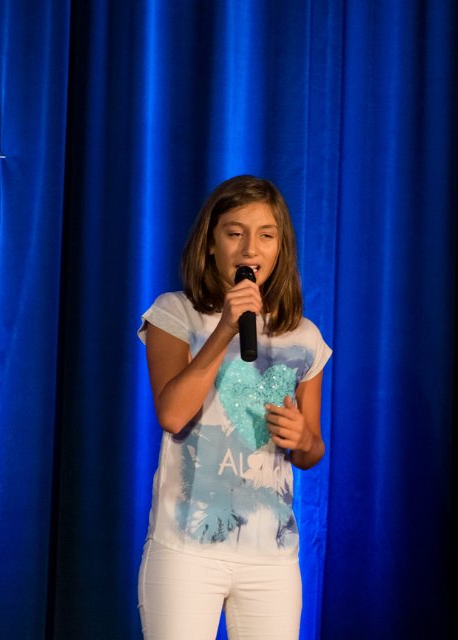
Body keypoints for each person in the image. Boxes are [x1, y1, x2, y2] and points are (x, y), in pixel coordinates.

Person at [136, 175, 331, 639]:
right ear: (210, 243)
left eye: (266, 235)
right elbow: (172, 415)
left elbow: (311, 451)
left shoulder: (304, 336)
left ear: (280, 247)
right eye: (234, 233)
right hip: (186, 550)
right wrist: (226, 327)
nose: (250, 249)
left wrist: (302, 438)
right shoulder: (175, 313)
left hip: (271, 560)